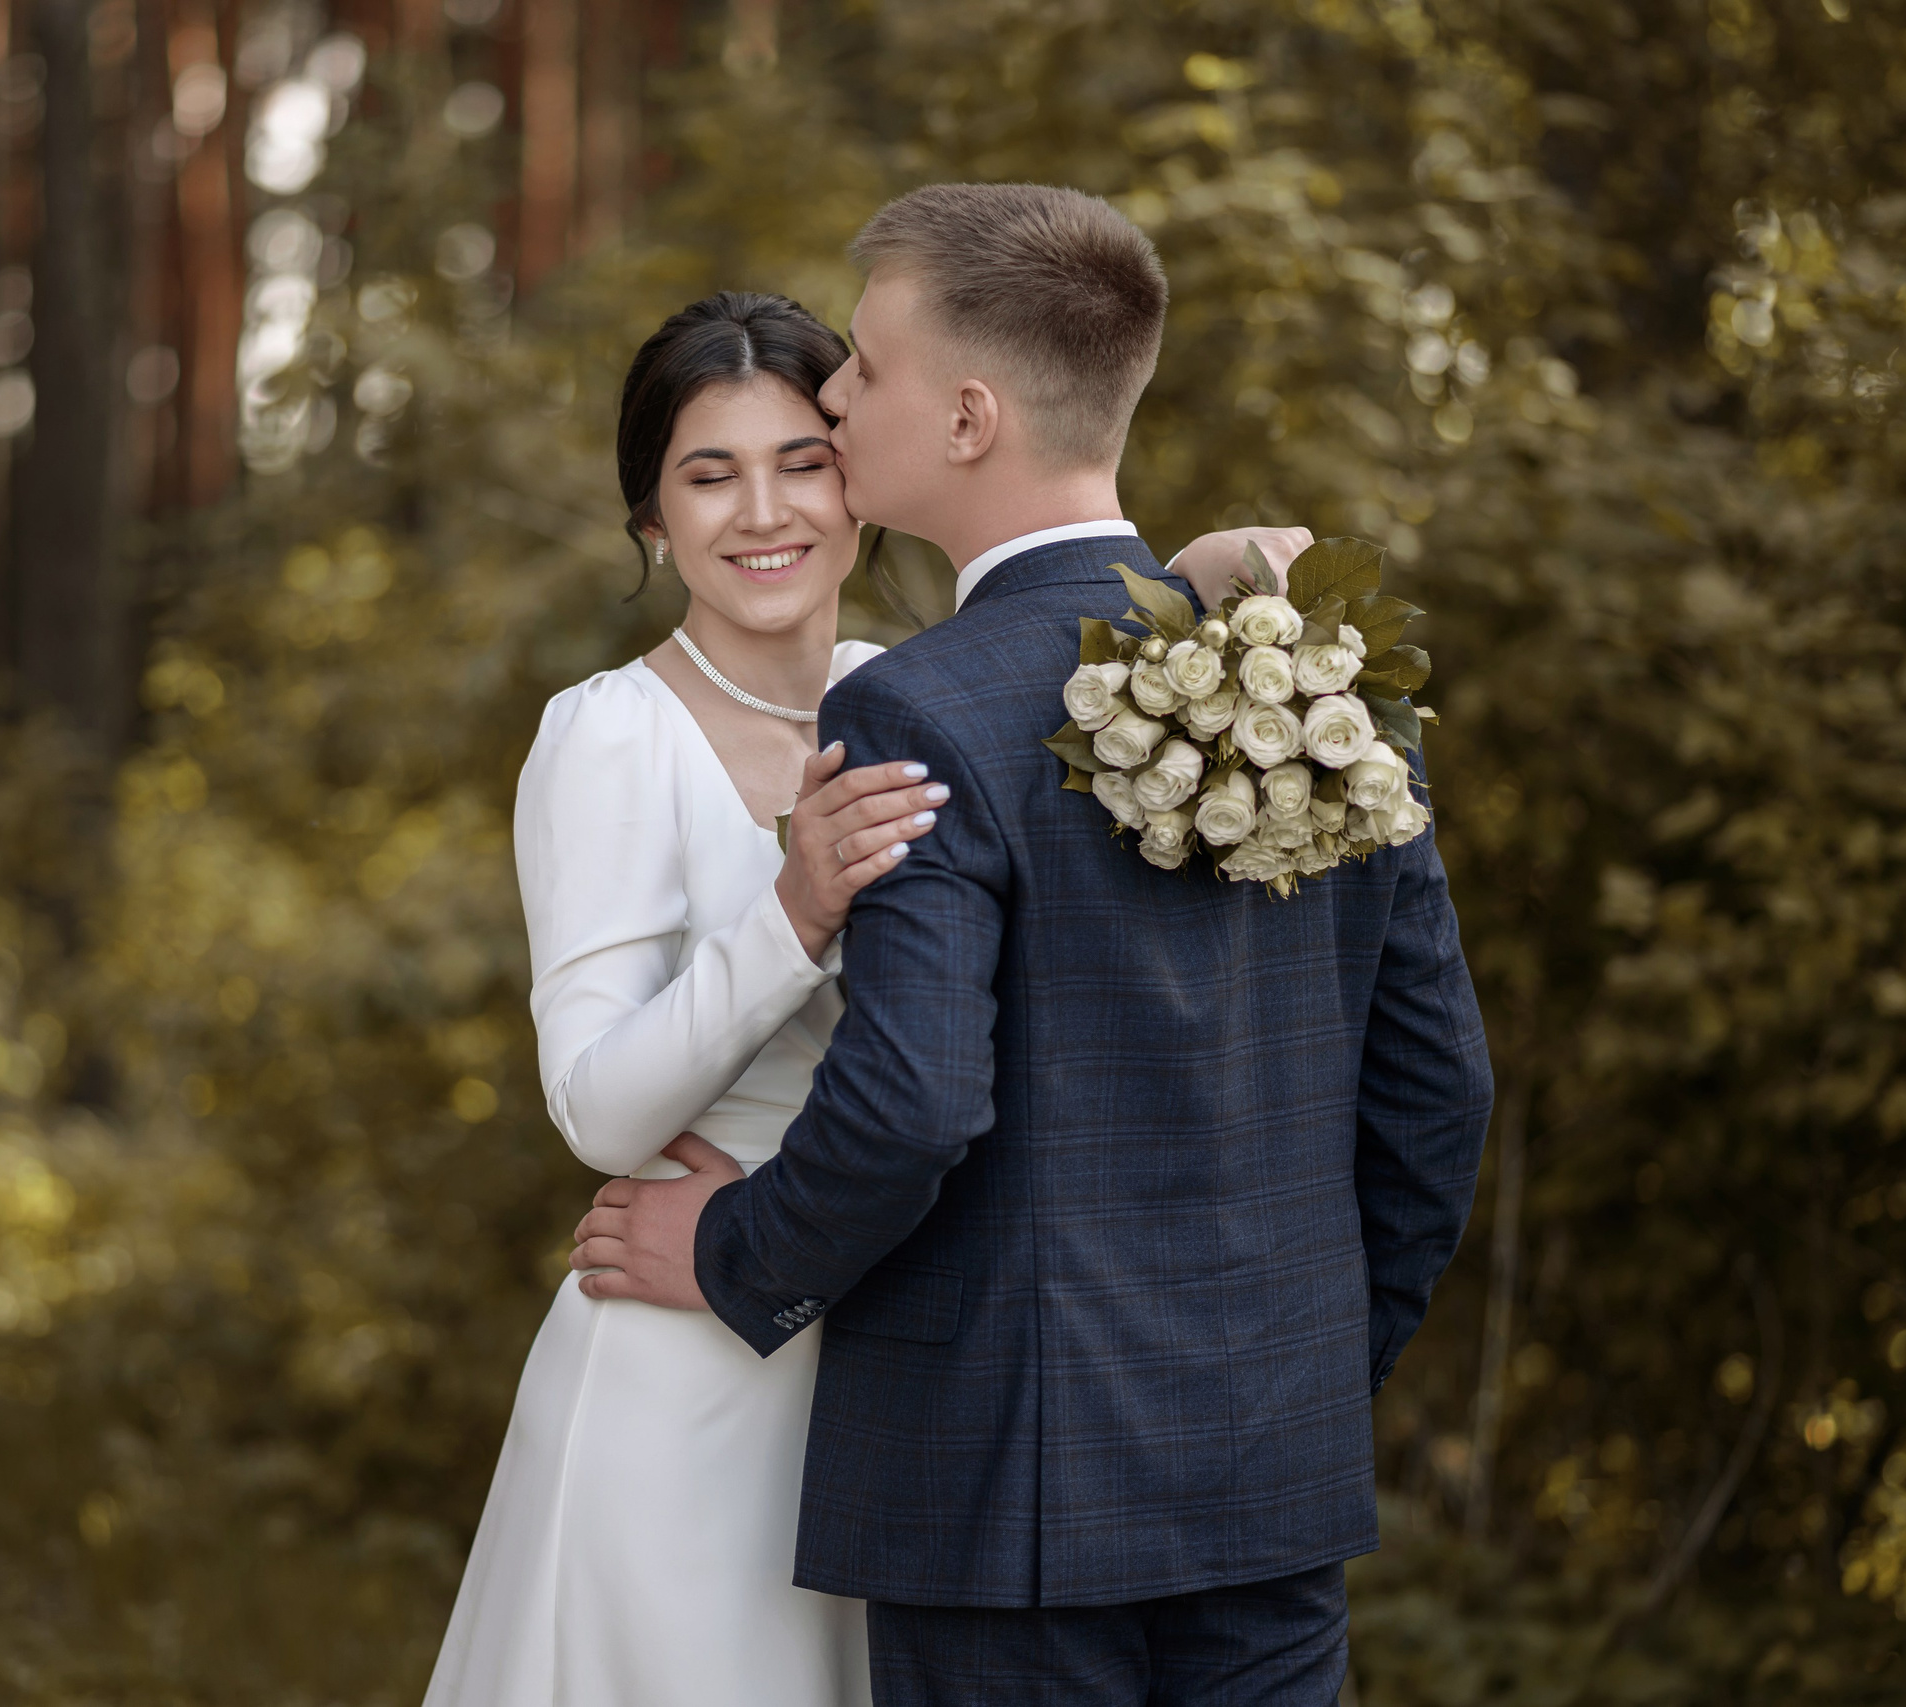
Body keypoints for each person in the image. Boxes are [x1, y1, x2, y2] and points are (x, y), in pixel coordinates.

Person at [569, 186, 1495, 1705]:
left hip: (1010, 1510)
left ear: (970, 416)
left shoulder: (914, 708)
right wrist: (1307, 1368)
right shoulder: (1310, 672)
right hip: (1271, 1483)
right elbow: (1438, 1092)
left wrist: (731, 1251)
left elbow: (916, 1103)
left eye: (864, 367)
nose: (837, 394)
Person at [422, 287, 1308, 1707]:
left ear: (863, 482)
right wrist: (792, 911)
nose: (761, 512)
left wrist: (1188, 593)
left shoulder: (906, 689)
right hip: (692, 1360)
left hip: (910, 1362)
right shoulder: (608, 736)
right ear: (652, 519)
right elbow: (595, 1109)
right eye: (707, 476)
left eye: (801, 462)